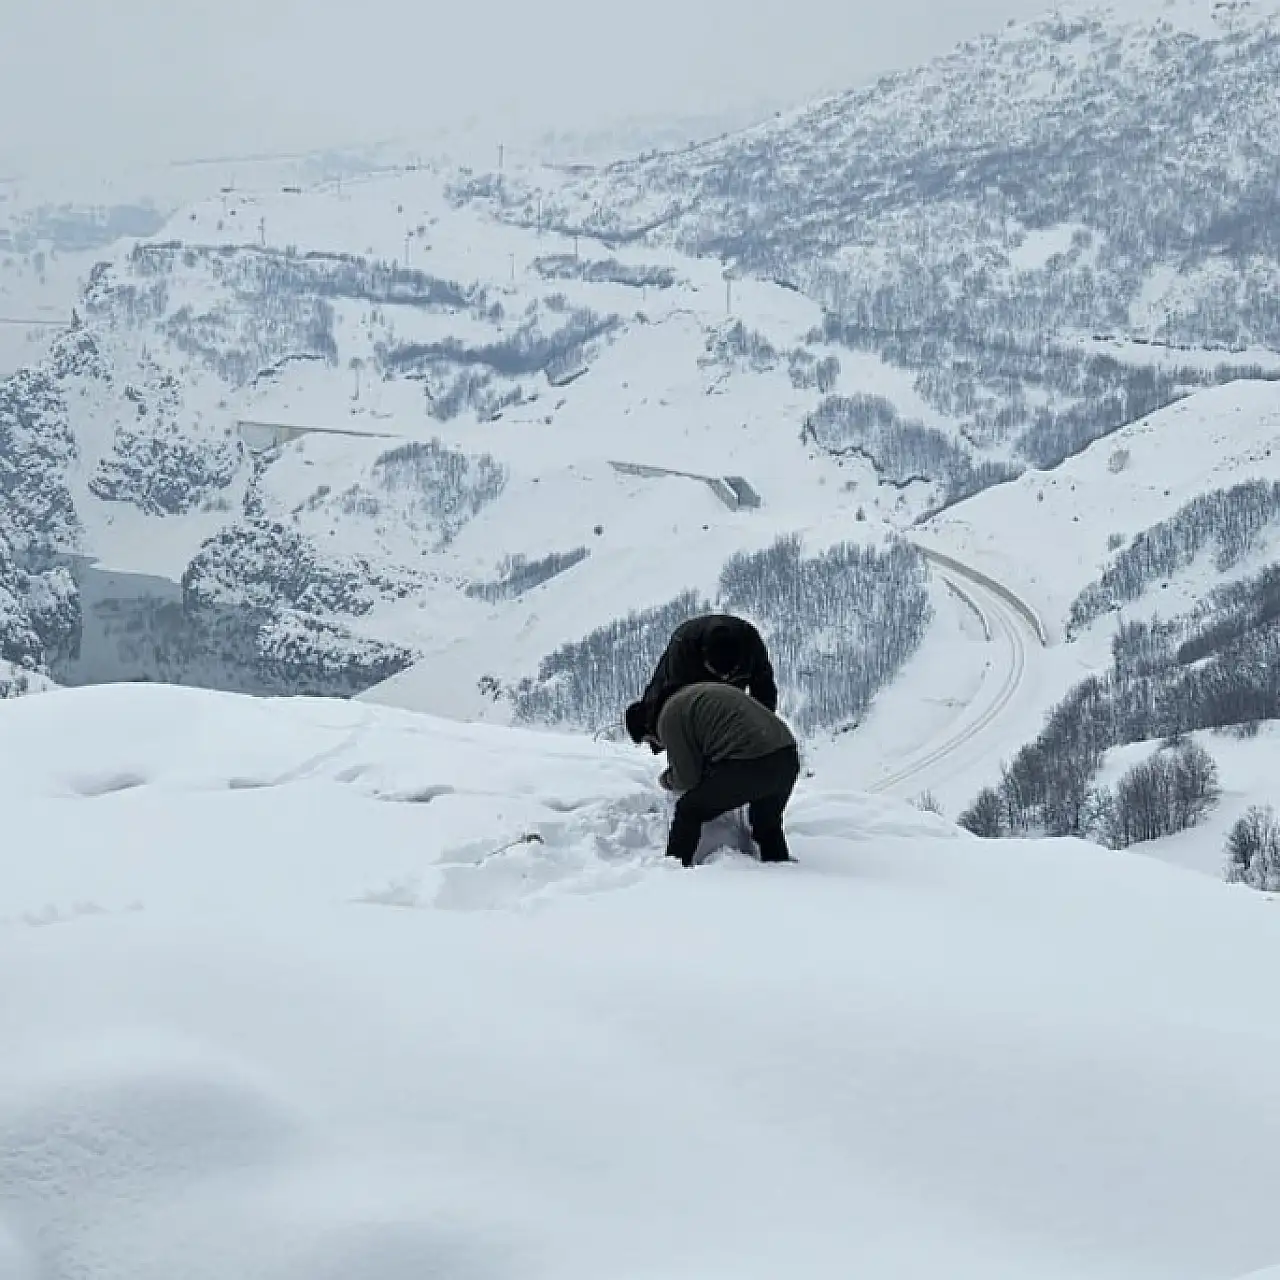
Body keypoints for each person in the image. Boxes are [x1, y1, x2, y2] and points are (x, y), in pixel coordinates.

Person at [648, 681, 800, 867]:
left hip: (754, 760)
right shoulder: (693, 695)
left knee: (689, 810)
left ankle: (674, 868)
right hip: (787, 756)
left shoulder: (669, 716)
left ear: (649, 730)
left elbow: (687, 778)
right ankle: (782, 872)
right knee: (766, 825)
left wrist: (667, 779)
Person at [624, 614, 777, 751]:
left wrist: (762, 730)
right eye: (718, 673)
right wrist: (662, 736)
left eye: (730, 674)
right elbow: (672, 702)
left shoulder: (750, 642)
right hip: (689, 683)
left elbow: (764, 690)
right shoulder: (683, 649)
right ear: (703, 656)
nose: (724, 679)